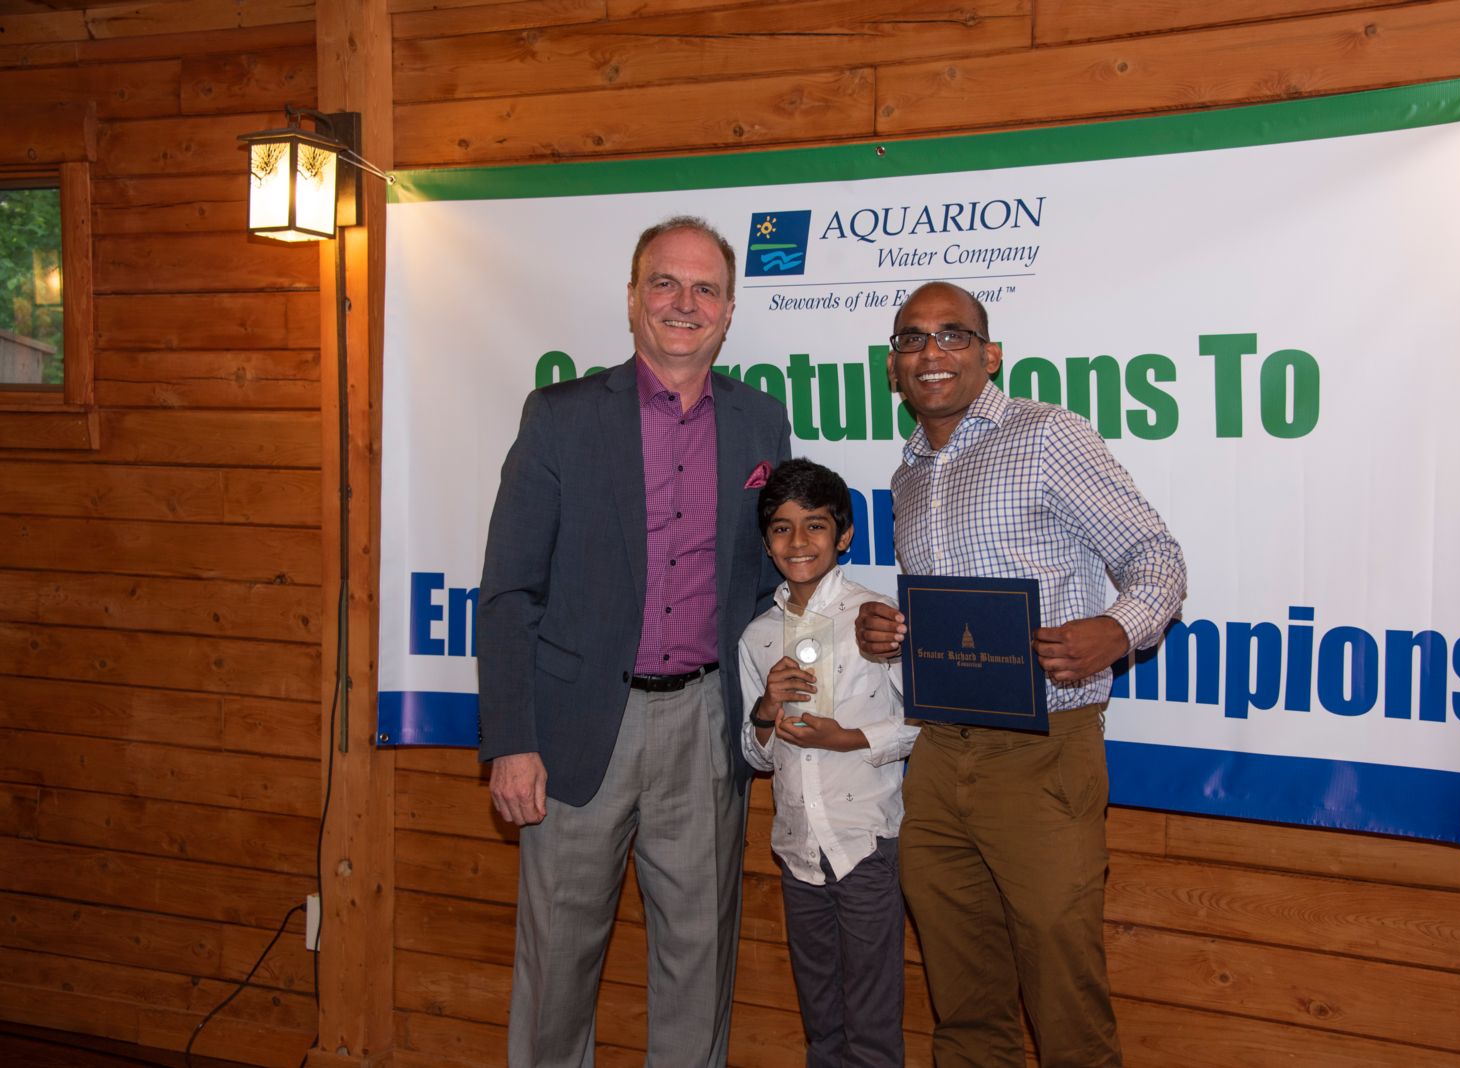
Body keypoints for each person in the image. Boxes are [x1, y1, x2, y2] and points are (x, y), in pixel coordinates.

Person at [477, 216, 792, 1067]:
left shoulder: (762, 422)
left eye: (705, 289)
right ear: (631, 299)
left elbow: (765, 584)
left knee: (699, 966)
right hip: (578, 733)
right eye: (665, 283)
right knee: (556, 972)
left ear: (729, 311)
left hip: (706, 726)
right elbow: (508, 592)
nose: (684, 303)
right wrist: (512, 742)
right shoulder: (560, 417)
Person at [856, 282, 1186, 1067]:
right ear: (895, 366)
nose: (931, 352)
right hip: (938, 756)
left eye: (952, 334)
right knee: (964, 1000)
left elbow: (1155, 556)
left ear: (990, 354)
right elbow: (955, 620)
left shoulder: (1046, 436)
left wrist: (1117, 629)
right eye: (911, 339)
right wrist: (892, 633)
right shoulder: (908, 475)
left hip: (1043, 753)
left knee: (1064, 998)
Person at [737, 458, 918, 1068]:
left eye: (814, 525)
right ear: (767, 541)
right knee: (821, 1024)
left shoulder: (877, 617)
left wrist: (850, 739)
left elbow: (923, 722)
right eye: (781, 528)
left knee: (871, 1026)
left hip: (864, 844)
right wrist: (767, 708)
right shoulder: (758, 636)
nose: (798, 542)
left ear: (843, 536)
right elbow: (756, 753)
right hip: (796, 850)